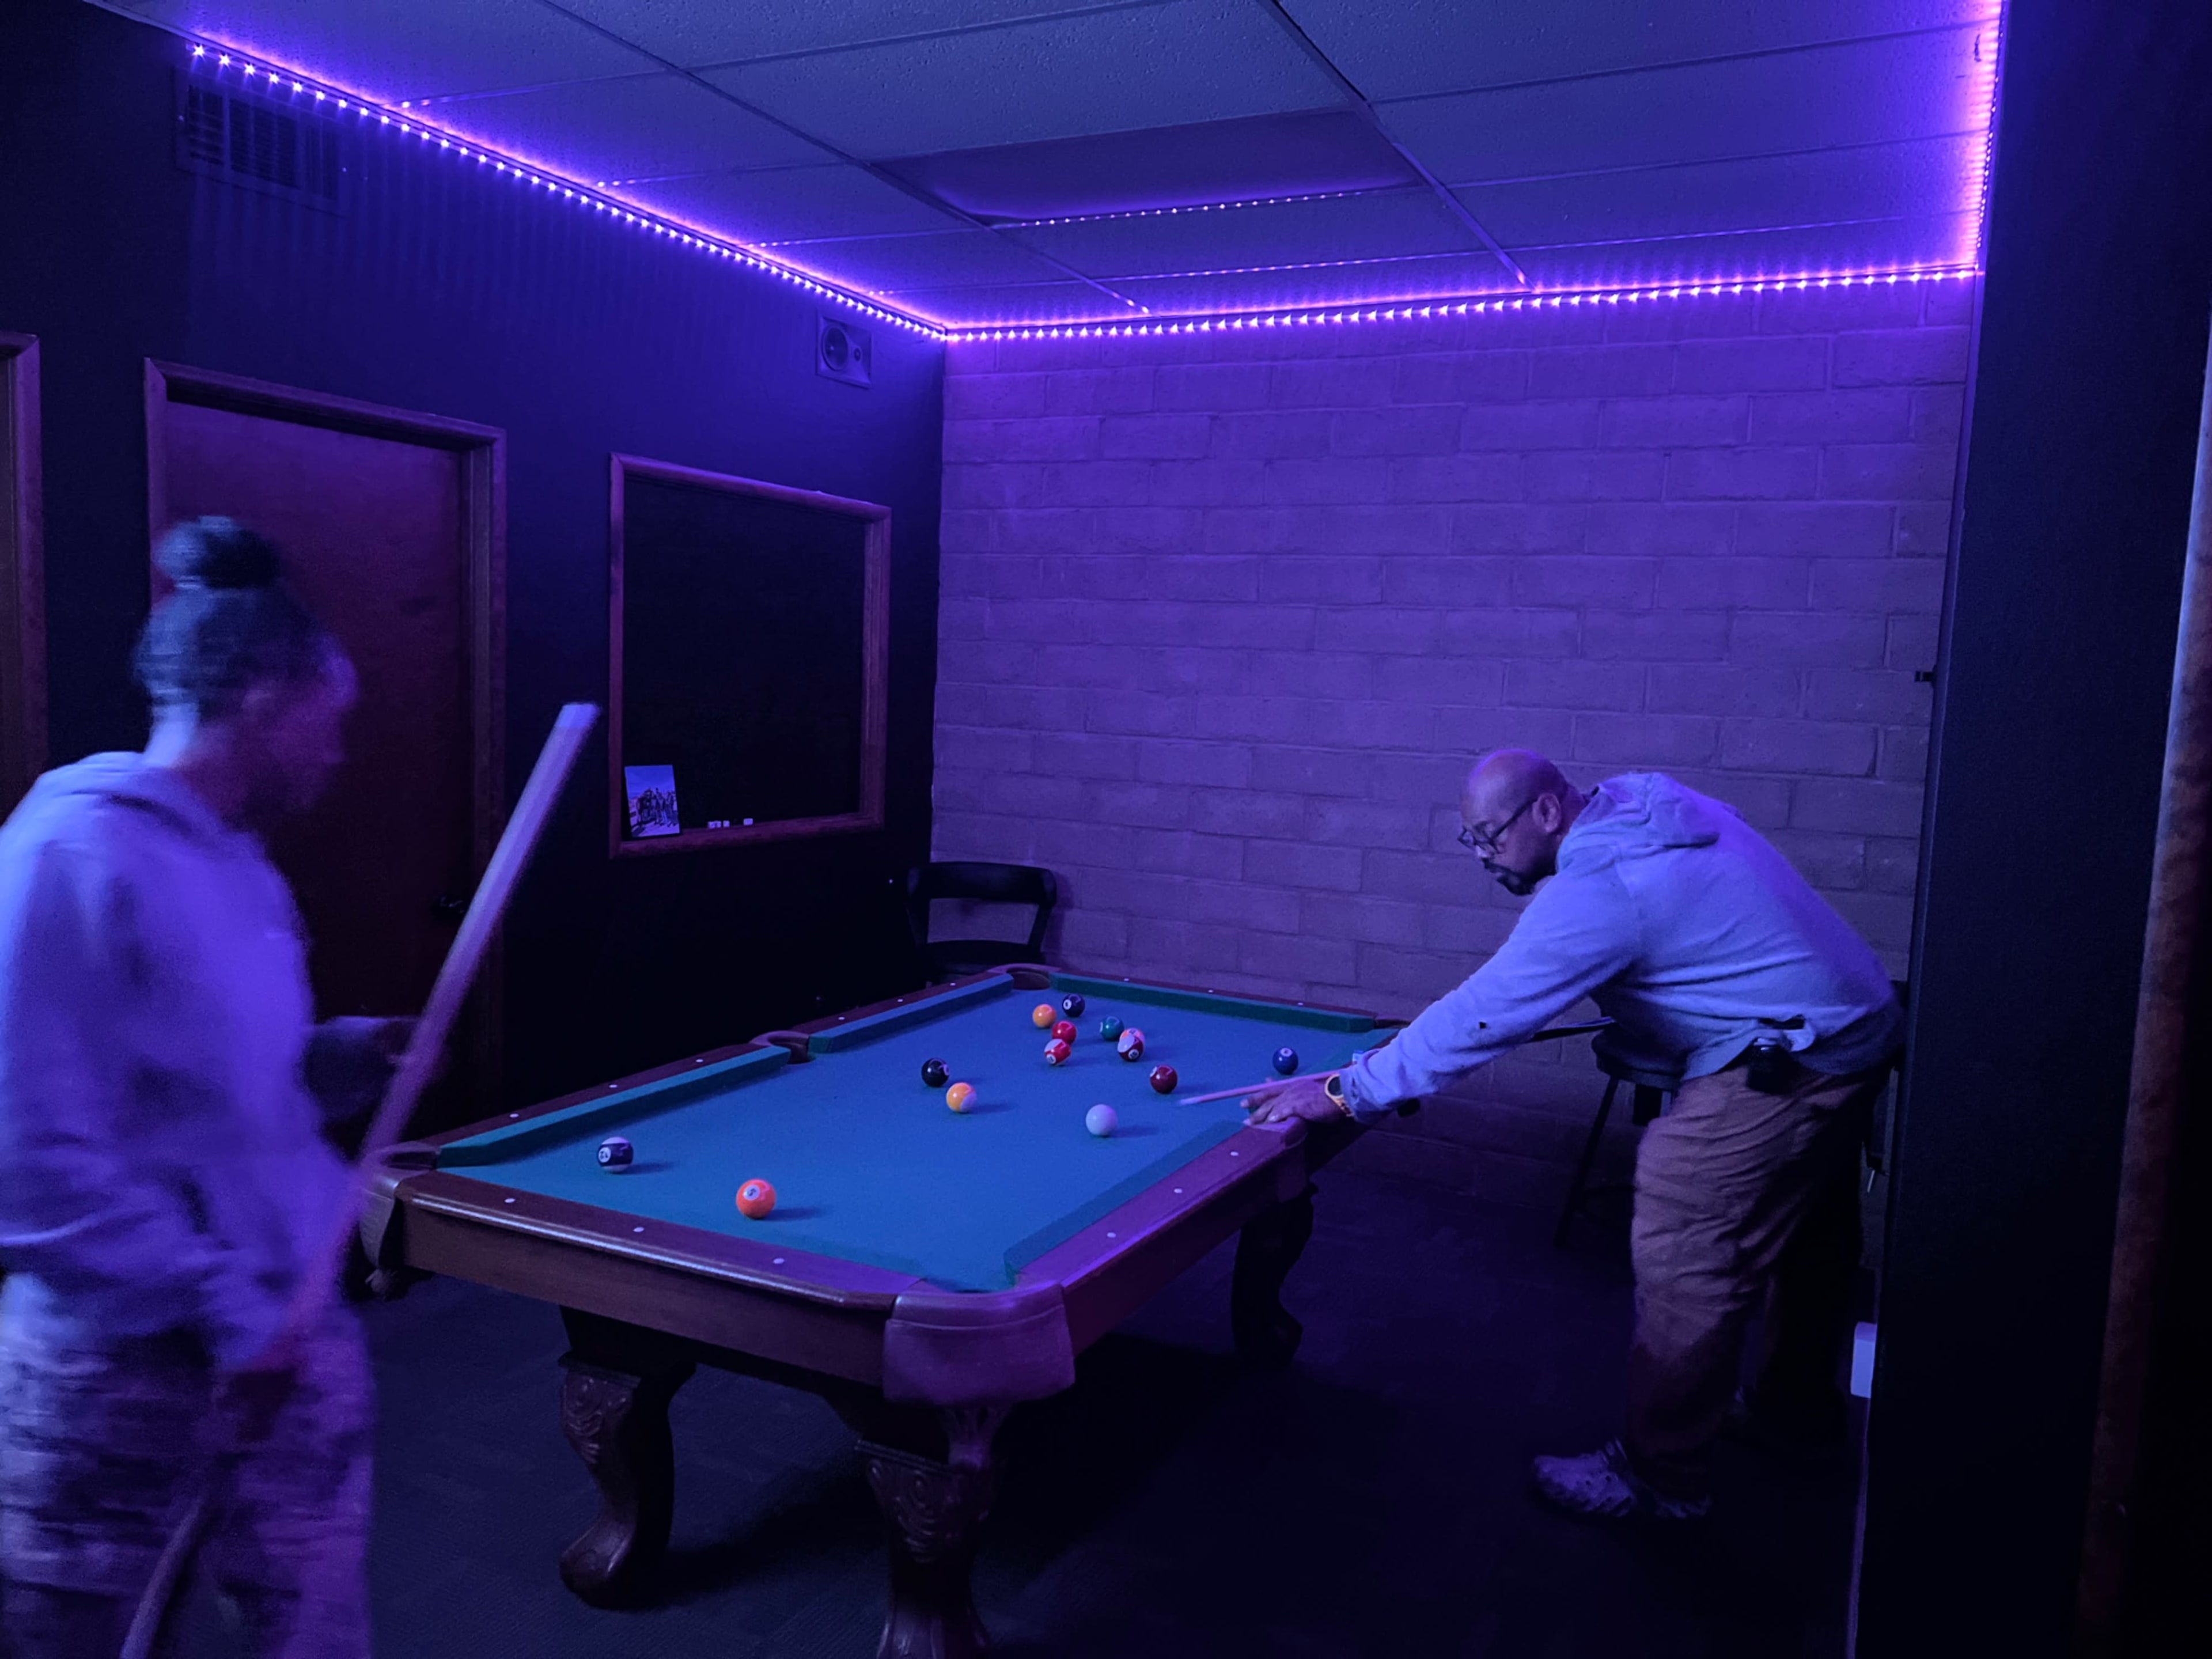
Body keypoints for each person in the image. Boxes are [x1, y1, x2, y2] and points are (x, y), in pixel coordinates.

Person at [1242, 748, 1901, 1522]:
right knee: (1807, 1240)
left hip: (1794, 1058)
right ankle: (1796, 1419)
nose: (1483, 856)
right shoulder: (1646, 802)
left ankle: (1663, 1479)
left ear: (1548, 812)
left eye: (1489, 837)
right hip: (1856, 1023)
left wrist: (1343, 1092)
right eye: (1472, 841)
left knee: (1685, 1217)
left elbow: (1481, 1014)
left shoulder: (1599, 890)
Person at [0, 518, 397, 1655]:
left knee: (317, 1636)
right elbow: (29, 1171)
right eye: (333, 718)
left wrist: (346, 1055)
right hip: (119, 1375)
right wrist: (224, 1312)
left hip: (288, 1336)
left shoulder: (239, 863)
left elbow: (231, 1100)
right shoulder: (70, 857)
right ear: (267, 693)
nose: (338, 751)